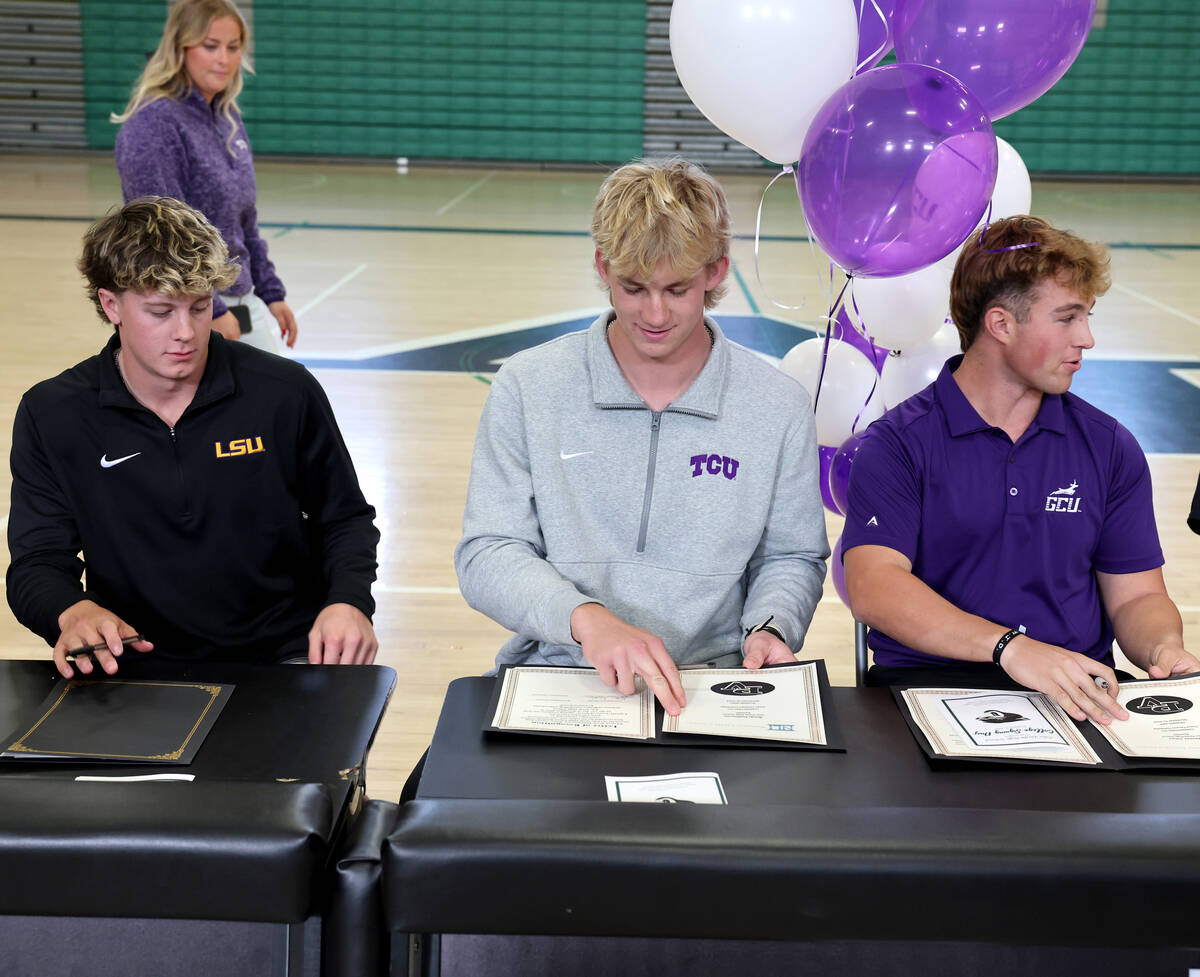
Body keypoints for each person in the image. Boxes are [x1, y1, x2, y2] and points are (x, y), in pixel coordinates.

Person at [454, 157, 829, 716]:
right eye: (634, 288)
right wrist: (588, 622)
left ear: (716, 271)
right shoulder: (528, 386)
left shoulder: (778, 406)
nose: (655, 314)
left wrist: (773, 625)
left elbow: (793, 555)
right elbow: (488, 551)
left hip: (713, 688)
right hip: (561, 676)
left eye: (677, 289)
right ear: (603, 267)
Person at [842, 214, 1198, 724]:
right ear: (1001, 324)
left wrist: (1162, 648)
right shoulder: (897, 443)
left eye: (1087, 317)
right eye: (1068, 318)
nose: (1088, 339)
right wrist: (1011, 648)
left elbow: (1137, 595)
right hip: (926, 693)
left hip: (1077, 695)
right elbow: (875, 587)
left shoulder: (1108, 445)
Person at [6, 196, 379, 679]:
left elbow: (345, 518)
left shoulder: (285, 392)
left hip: (284, 657)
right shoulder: (51, 413)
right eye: (160, 311)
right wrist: (72, 611)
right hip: (131, 663)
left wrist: (348, 602)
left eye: (200, 308)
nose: (186, 332)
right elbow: (36, 561)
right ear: (110, 304)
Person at [112, 0, 297, 353]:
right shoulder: (153, 125)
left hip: (236, 303)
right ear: (180, 48)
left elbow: (245, 222)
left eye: (233, 47)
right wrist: (210, 307)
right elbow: (162, 236)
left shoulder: (227, 118)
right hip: (184, 313)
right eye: (210, 46)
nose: (224, 59)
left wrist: (271, 293)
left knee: (284, 399)